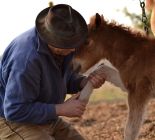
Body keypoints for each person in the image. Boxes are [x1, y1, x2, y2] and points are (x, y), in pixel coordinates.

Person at [0, 4, 106, 140]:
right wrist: (60, 109)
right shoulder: (26, 59)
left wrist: (83, 82)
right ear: (54, 41)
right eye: (70, 45)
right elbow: (14, 109)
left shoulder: (63, 47)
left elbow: (62, 79)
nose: (73, 50)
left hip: (45, 117)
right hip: (10, 121)